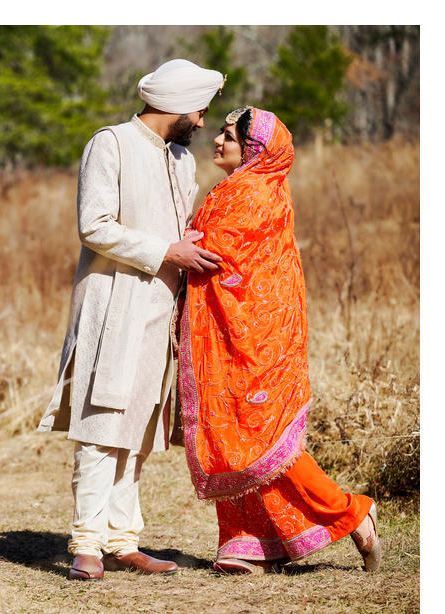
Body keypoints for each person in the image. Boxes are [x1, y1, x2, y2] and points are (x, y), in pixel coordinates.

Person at [37, 59, 226, 581]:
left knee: (140, 428)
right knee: (103, 423)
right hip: (114, 304)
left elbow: (181, 232)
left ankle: (123, 540)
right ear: (175, 103)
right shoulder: (111, 143)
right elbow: (94, 226)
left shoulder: (182, 158)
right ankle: (86, 544)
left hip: (162, 310)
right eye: (199, 110)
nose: (203, 122)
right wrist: (167, 250)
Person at [176, 106, 381, 574]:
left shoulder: (252, 193)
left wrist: (173, 241)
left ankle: (351, 511)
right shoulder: (244, 187)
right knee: (233, 433)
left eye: (228, 135)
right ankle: (248, 540)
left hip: (254, 341)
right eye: (224, 132)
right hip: (232, 336)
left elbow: (212, 250)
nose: (219, 141)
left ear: (254, 148)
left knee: (261, 442)